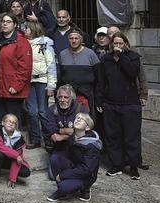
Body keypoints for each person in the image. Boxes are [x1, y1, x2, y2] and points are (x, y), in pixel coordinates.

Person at [96, 32, 143, 180]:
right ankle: (117, 164)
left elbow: (132, 72)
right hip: (111, 104)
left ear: (125, 44)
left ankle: (133, 165)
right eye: (115, 44)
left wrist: (121, 56)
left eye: (120, 44)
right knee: (113, 136)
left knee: (131, 136)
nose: (117, 46)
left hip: (130, 104)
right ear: (111, 45)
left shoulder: (133, 57)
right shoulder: (105, 60)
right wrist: (99, 100)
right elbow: (101, 82)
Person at [46, 113, 102, 202]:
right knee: (55, 158)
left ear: (87, 127)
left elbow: (86, 170)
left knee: (64, 186)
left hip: (86, 175)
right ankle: (62, 190)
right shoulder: (73, 137)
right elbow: (68, 156)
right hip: (75, 168)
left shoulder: (91, 145)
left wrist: (62, 175)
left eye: (82, 119)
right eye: (77, 118)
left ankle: (85, 188)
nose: (78, 119)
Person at [0, 13, 33, 126]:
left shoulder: (21, 42)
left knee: (11, 121)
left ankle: (14, 143)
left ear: (15, 25)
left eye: (8, 21)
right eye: (3, 21)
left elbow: (25, 67)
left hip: (13, 88)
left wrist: (16, 86)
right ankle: (4, 143)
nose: (4, 23)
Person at [24, 21, 57, 149]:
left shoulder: (45, 43)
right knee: (32, 112)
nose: (25, 31)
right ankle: (35, 139)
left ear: (33, 29)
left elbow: (51, 64)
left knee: (43, 111)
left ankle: (48, 140)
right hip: (29, 82)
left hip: (42, 81)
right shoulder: (24, 44)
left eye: (27, 28)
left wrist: (51, 85)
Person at [58, 30, 99, 115]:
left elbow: (98, 75)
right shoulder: (62, 54)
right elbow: (60, 74)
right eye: (71, 38)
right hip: (68, 94)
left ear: (81, 40)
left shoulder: (90, 54)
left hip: (86, 93)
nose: (73, 41)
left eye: (76, 38)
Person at [0, 113, 31, 190]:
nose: (11, 124)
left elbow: (17, 160)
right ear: (3, 123)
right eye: (9, 121)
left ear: (16, 127)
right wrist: (16, 155)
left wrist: (12, 178)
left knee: (26, 172)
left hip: (13, 160)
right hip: (2, 160)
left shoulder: (18, 138)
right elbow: (0, 147)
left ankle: (12, 175)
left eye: (14, 123)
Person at [42, 84, 87, 153]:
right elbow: (49, 130)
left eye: (66, 97)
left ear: (72, 98)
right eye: (60, 97)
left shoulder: (81, 110)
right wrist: (65, 131)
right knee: (54, 160)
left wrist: (63, 137)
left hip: (78, 145)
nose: (62, 100)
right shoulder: (52, 110)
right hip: (60, 145)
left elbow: (85, 131)